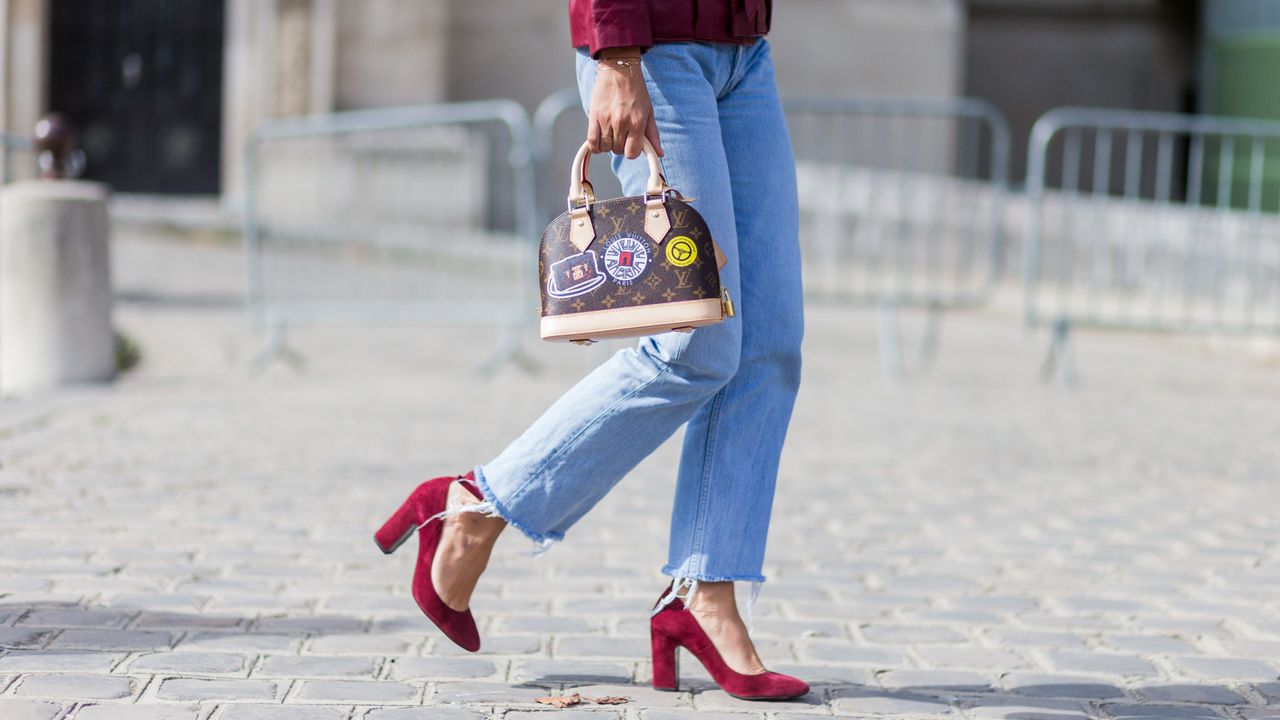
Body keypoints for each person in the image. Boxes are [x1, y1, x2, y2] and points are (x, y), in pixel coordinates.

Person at [374, 0, 807, 700]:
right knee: (695, 341)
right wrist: (616, 55)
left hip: (744, 51)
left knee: (768, 344)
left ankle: (708, 593)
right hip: (657, 50)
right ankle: (480, 502)